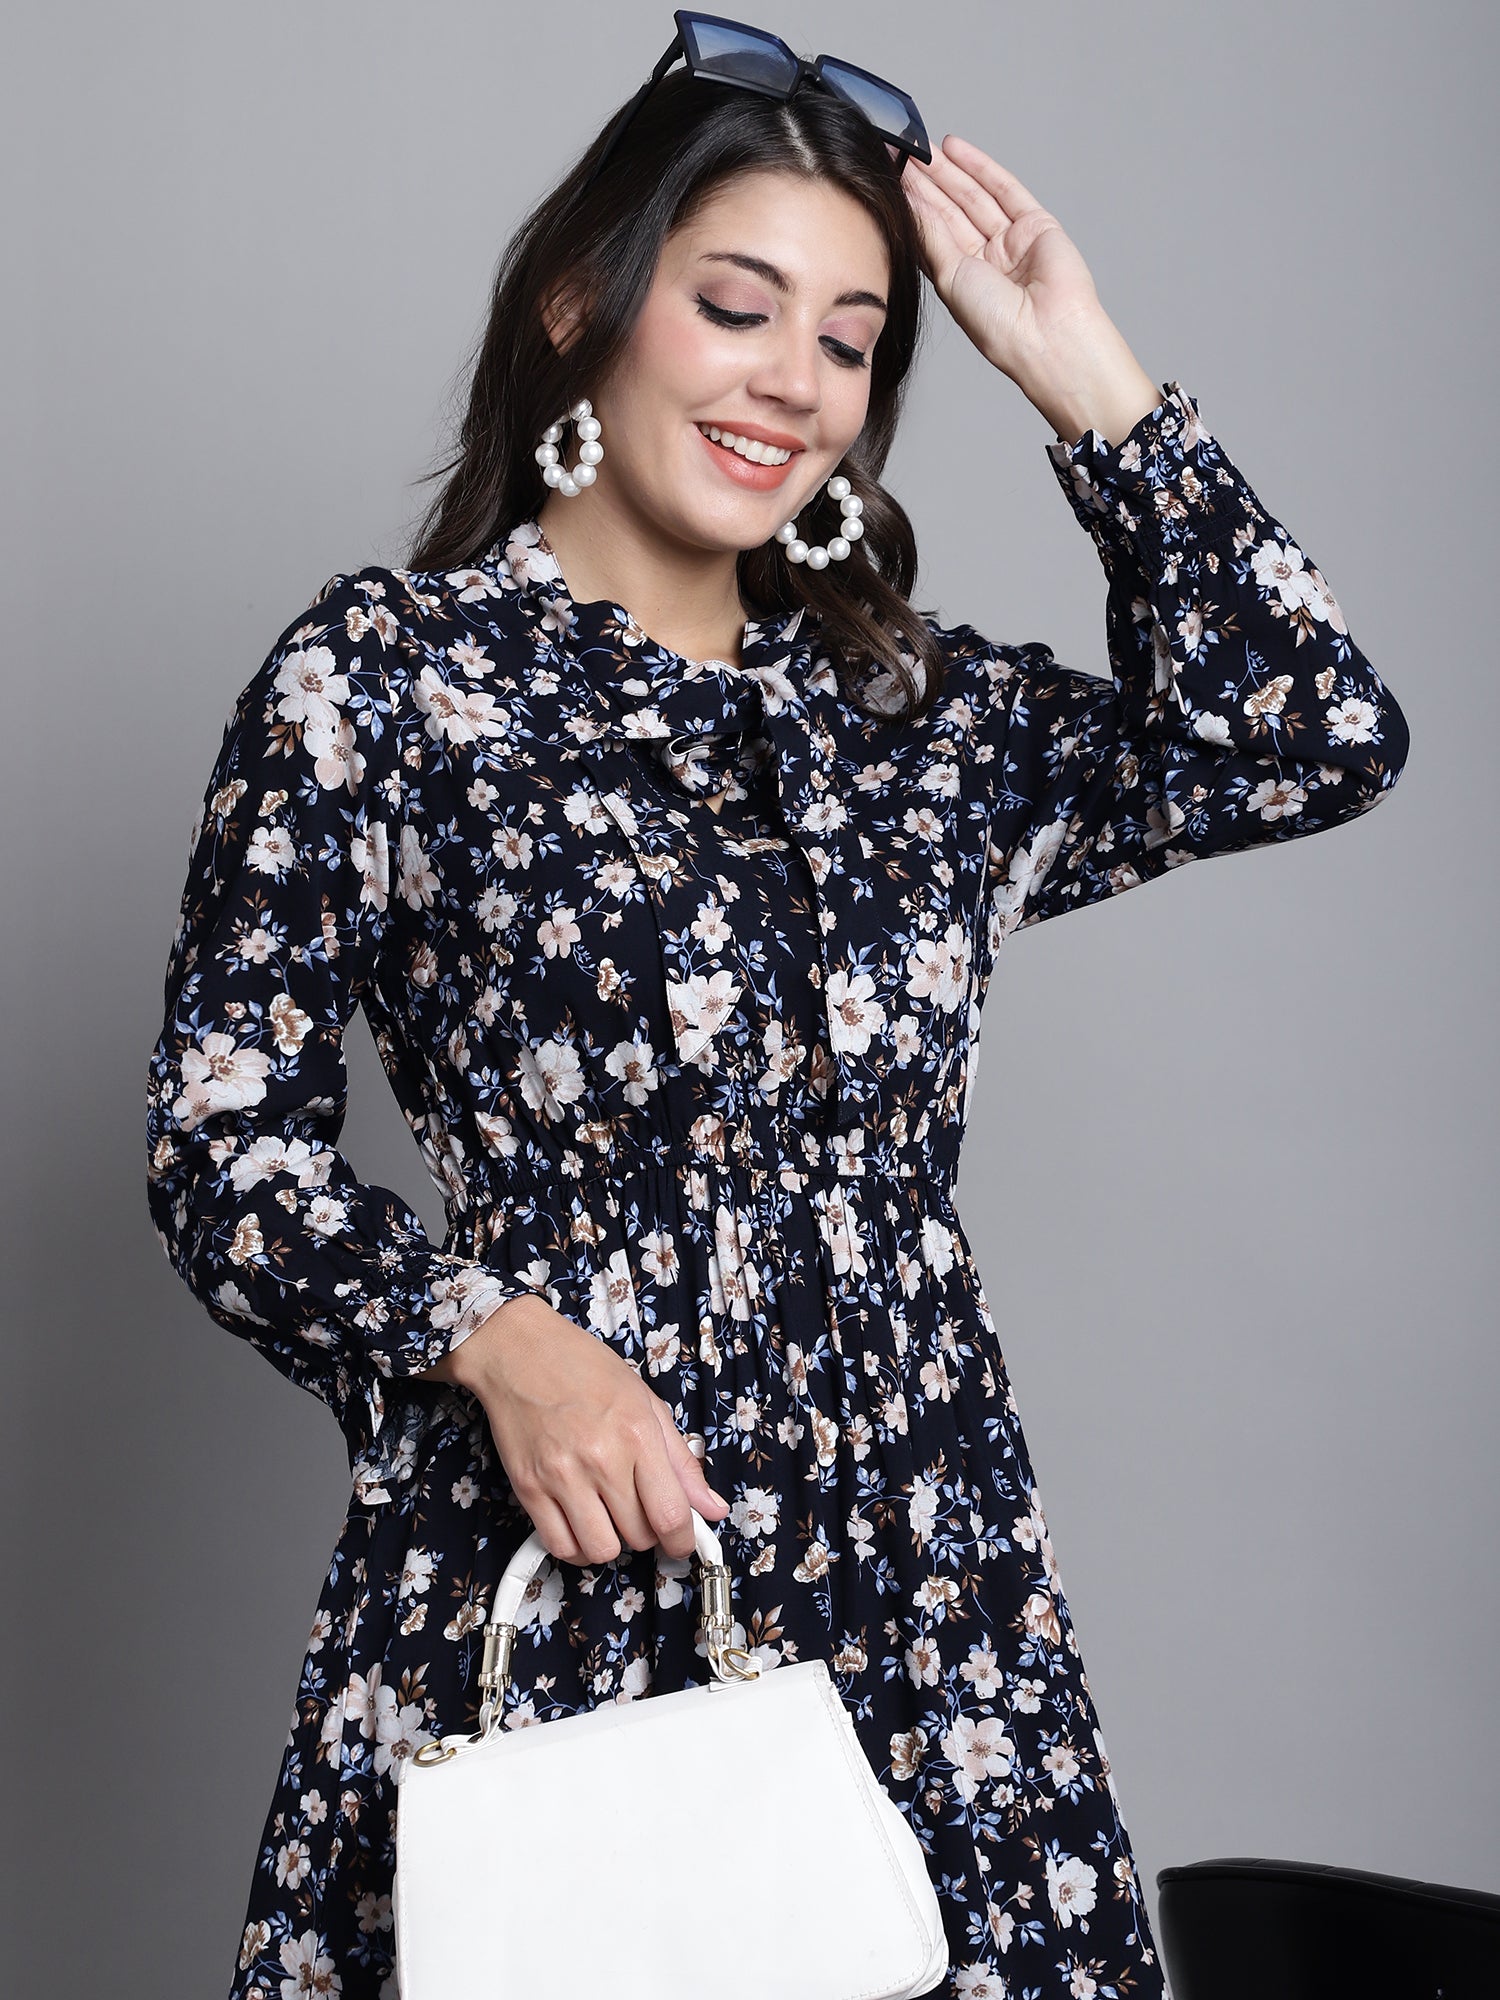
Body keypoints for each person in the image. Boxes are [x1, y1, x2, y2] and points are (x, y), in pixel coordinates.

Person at [143, 15, 1408, 1999]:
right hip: (573, 1566)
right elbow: (224, 1154)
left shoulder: (914, 716)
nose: (795, 383)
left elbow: (1311, 732)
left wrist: (1081, 371)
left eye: (851, 341)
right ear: (581, 301)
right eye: (737, 308)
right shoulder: (385, 683)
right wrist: (493, 1338)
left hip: (932, 1599)